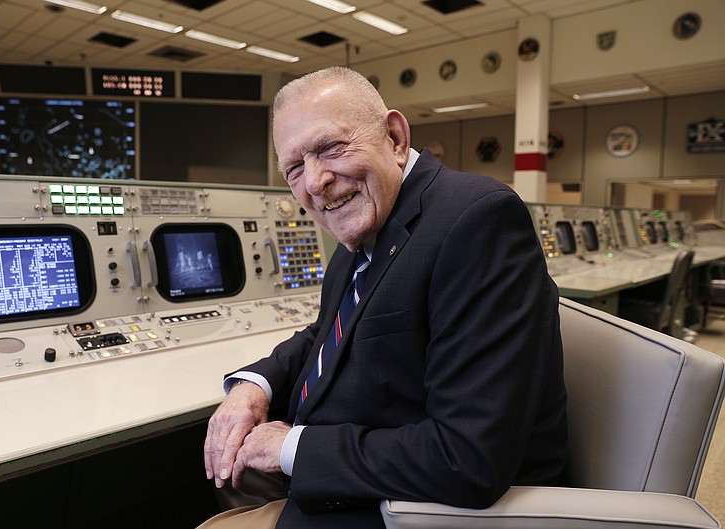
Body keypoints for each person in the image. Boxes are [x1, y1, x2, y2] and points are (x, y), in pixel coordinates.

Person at [199, 66, 567, 529]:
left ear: (394, 137)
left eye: (331, 148)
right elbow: (326, 334)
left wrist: (291, 447)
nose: (314, 182)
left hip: (407, 514)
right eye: (294, 168)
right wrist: (254, 386)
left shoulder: (476, 219)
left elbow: (469, 459)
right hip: (346, 487)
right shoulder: (365, 229)